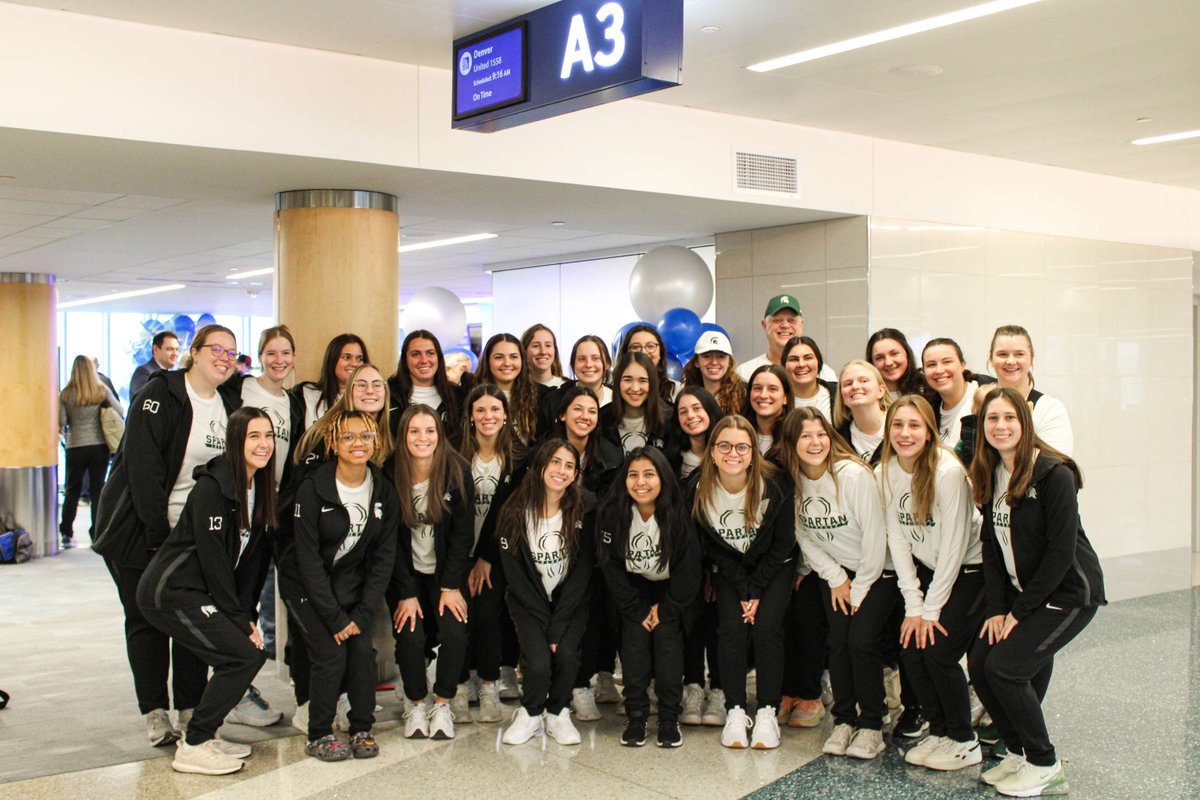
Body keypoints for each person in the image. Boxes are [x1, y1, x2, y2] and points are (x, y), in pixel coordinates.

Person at [93, 324, 241, 747]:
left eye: (232, 352)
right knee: (146, 622)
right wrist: (159, 536)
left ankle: (192, 708)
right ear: (193, 353)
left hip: (192, 536)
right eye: (216, 349)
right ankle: (155, 712)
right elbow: (144, 472)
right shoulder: (160, 395)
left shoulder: (227, 402)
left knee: (191, 623)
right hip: (139, 531)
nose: (225, 358)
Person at [968, 387, 1105, 797]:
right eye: (993, 419)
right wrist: (997, 608)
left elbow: (1061, 553)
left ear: (1025, 423)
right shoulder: (991, 471)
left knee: (1006, 668)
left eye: (1010, 417)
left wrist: (1021, 611)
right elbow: (992, 547)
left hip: (1069, 594)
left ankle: (1045, 764)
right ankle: (1017, 751)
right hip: (1021, 595)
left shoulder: (1054, 473)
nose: (1001, 426)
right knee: (979, 662)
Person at [136, 407, 277, 775]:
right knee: (243, 657)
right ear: (235, 442)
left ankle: (205, 733)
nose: (263, 444)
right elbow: (215, 561)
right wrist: (236, 619)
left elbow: (249, 567)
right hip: (170, 592)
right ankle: (194, 744)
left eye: (268, 436)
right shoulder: (212, 489)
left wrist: (246, 617)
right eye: (254, 436)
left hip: (198, 593)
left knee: (245, 654)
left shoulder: (259, 488)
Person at [280, 410, 398, 762]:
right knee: (330, 653)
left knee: (362, 652)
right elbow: (308, 561)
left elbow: (382, 560)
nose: (357, 443)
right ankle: (318, 733)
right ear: (333, 443)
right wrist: (335, 620)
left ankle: (361, 727)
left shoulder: (382, 490)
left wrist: (360, 615)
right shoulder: (313, 488)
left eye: (365, 436)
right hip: (304, 586)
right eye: (348, 437)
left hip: (351, 589)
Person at [778, 408, 893, 760]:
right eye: (805, 437)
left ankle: (872, 723)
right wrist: (836, 577)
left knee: (861, 642)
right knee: (838, 643)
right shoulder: (793, 480)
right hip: (840, 575)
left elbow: (876, 537)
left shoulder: (853, 475)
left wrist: (859, 586)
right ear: (791, 444)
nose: (815, 443)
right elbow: (805, 537)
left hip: (878, 573)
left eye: (820, 434)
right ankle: (845, 719)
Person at [878, 395, 985, 772]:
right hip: (929, 572)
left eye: (914, 426)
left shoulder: (948, 472)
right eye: (897, 425)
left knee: (938, 651)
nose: (904, 434)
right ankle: (939, 731)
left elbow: (955, 546)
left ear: (929, 432)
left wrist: (930, 610)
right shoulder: (886, 470)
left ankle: (963, 739)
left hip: (971, 572)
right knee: (910, 647)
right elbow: (898, 540)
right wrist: (913, 606)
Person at [689, 415, 796, 750]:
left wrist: (757, 590)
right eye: (723, 445)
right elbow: (710, 549)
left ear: (753, 452)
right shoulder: (698, 487)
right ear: (712, 451)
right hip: (730, 571)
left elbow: (783, 544)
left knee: (766, 628)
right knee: (732, 629)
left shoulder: (775, 483)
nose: (732, 453)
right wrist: (744, 590)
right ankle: (736, 710)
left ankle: (766, 710)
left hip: (774, 568)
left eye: (741, 446)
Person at [597, 447, 701, 748]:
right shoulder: (613, 513)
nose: (640, 482)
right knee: (634, 643)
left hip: (671, 590)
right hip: (633, 589)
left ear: (663, 478)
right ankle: (637, 716)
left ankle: (669, 717)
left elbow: (689, 568)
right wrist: (637, 609)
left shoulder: (678, 512)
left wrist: (666, 609)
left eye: (649, 474)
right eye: (633, 475)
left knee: (668, 642)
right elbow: (610, 565)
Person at [498, 439, 596, 746]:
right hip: (528, 603)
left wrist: (558, 625)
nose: (561, 471)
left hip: (570, 603)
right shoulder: (513, 511)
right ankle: (530, 713)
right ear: (540, 465)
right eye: (555, 462)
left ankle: (558, 713)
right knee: (538, 663)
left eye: (569, 466)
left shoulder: (586, 507)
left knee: (567, 656)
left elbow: (583, 573)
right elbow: (515, 577)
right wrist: (546, 624)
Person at [388, 405, 474, 741]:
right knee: (410, 637)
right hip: (406, 576)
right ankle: (416, 703)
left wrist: (452, 586)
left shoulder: (457, 470)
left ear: (439, 435)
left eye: (429, 431)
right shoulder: (388, 471)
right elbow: (388, 543)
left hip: (445, 577)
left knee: (454, 634)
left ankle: (442, 704)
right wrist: (405, 592)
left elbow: (461, 535)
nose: (422, 438)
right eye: (414, 431)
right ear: (403, 435)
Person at [461, 384, 527, 722]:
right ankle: (467, 679)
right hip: (459, 552)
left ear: (505, 416)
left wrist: (486, 557)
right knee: (461, 618)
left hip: (496, 555)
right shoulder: (456, 454)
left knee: (488, 615)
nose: (488, 416)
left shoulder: (518, 459)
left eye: (495, 410)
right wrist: (466, 558)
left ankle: (488, 684)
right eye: (481, 410)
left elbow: (510, 514)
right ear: (471, 416)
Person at [672, 387, 727, 727]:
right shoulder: (672, 457)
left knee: (719, 625)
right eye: (683, 411)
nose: (691, 415)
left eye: (698, 408)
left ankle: (719, 690)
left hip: (721, 557)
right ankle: (692, 686)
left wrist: (713, 568)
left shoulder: (726, 453)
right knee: (690, 622)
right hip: (684, 558)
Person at [59, 354, 124, 548]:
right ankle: (96, 531)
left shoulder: (66, 394)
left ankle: (66, 532)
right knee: (98, 490)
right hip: (98, 446)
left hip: (75, 446)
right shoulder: (100, 390)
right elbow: (120, 410)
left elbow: (61, 422)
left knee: (72, 489)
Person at [986, 324, 1073, 456]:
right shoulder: (974, 406)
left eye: (1019, 354)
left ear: (1031, 358)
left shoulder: (1049, 409)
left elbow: (1058, 468)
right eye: (1002, 354)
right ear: (991, 358)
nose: (1010, 361)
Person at [387, 330, 463, 448]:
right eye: (415, 354)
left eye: (430, 353)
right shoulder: (388, 395)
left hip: (449, 465)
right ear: (405, 360)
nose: (424, 360)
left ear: (438, 358)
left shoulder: (458, 396)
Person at [736, 295, 836, 383]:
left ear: (801, 324)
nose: (785, 325)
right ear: (764, 325)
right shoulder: (744, 374)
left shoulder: (825, 375)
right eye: (777, 320)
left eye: (791, 320)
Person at [920, 337, 993, 454]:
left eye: (947, 362)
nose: (939, 370)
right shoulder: (926, 409)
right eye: (931, 365)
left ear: (963, 365)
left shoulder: (987, 399)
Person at [600, 352, 673, 457]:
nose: (635, 388)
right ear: (618, 382)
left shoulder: (669, 420)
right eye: (628, 380)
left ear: (652, 383)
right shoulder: (602, 419)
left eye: (642, 381)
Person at [475, 333, 542, 445]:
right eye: (499, 357)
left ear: (522, 360)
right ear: (487, 361)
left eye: (513, 357)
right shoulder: (473, 395)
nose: (507, 363)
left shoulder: (537, 396)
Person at [537, 334, 613, 433]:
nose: (588, 365)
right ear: (573, 365)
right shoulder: (553, 401)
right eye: (581, 359)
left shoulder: (617, 400)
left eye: (595, 358)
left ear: (607, 363)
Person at [294, 333, 369, 429]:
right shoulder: (306, 394)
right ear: (332, 360)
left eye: (359, 359)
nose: (354, 363)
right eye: (346, 357)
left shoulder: (370, 399)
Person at [833, 360, 893, 464]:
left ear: (880, 391)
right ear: (842, 398)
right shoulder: (838, 440)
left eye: (864, 381)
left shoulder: (899, 428)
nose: (855, 386)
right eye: (848, 384)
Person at [682, 330, 746, 417]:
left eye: (721, 356)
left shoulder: (744, 393)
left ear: (729, 362)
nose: (714, 362)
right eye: (707, 356)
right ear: (697, 361)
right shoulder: (687, 394)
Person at [619, 324, 682, 402]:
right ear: (625, 354)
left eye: (650, 346)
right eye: (636, 347)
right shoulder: (615, 389)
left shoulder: (677, 390)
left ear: (660, 354)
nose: (643, 352)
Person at [742, 364, 793, 456]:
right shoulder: (737, 432)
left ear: (786, 397)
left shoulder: (796, 436)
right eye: (757, 388)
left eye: (772, 389)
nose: (763, 395)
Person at [782, 336, 836, 421]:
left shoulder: (837, 394)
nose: (801, 364)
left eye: (808, 358)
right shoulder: (777, 400)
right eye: (793, 359)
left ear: (818, 363)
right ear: (784, 366)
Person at [866, 328, 926, 399]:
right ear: (871, 363)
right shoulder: (867, 396)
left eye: (894, 353)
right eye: (879, 358)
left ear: (907, 354)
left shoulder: (927, 390)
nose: (888, 363)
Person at [129, 330, 180, 399]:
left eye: (177, 349)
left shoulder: (172, 375)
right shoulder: (144, 372)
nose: (175, 354)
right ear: (155, 349)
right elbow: (141, 402)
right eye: (169, 349)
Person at [522, 323, 566, 388]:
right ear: (524, 351)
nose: (543, 352)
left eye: (548, 345)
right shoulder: (516, 389)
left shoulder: (568, 388)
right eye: (536, 346)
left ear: (555, 350)